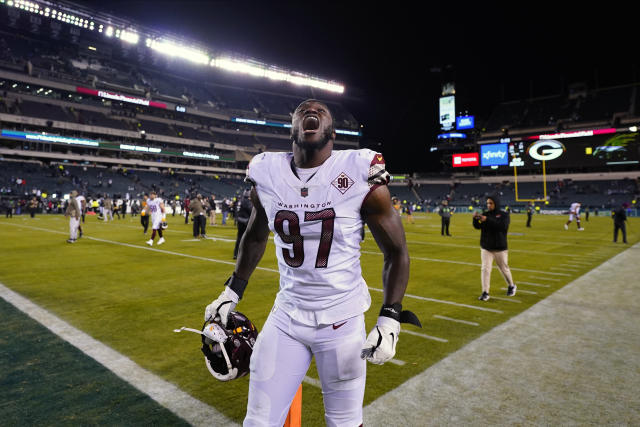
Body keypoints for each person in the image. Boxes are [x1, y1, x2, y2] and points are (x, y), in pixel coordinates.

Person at [203, 99, 420, 426]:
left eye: (321, 110)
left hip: (342, 322)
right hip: (286, 317)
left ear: (331, 132)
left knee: (344, 422)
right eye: (304, 109)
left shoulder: (359, 170)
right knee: (258, 421)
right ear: (292, 128)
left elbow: (397, 251)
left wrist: (390, 318)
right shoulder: (267, 172)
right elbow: (256, 235)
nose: (312, 111)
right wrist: (232, 291)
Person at [472, 195, 517, 301]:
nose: (489, 205)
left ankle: (511, 285)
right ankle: (485, 292)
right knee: (485, 269)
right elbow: (478, 227)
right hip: (486, 247)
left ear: (496, 203)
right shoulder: (485, 214)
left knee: (504, 269)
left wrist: (487, 220)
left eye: (491, 203)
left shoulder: (504, 215)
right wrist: (475, 219)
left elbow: (502, 227)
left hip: (499, 247)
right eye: (487, 203)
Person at [233, 188, 252, 259]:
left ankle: (236, 254)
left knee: (239, 238)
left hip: (239, 220)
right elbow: (251, 211)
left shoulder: (239, 200)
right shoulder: (247, 201)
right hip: (245, 221)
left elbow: (235, 210)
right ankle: (244, 254)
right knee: (247, 239)